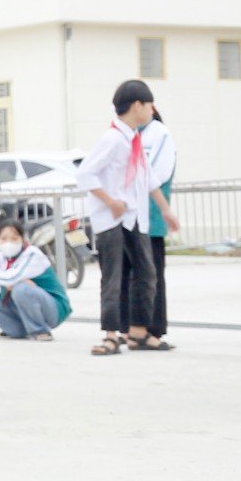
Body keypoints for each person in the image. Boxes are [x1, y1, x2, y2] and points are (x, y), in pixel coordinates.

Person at [78, 80, 159, 356]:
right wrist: (110, 201)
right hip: (112, 218)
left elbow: (149, 179)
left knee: (146, 272)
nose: (152, 110)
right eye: (149, 105)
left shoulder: (134, 140)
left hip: (134, 217)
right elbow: (85, 174)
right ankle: (111, 335)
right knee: (112, 276)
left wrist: (167, 210)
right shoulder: (112, 139)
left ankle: (137, 331)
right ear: (137, 106)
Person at [0, 213, 70, 341]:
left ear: (22, 239)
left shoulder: (32, 254)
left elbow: (10, 278)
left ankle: (40, 331)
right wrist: (2, 282)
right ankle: (14, 330)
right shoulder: (1, 257)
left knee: (21, 289)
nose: (8, 243)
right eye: (4, 239)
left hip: (53, 309)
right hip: (23, 306)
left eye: (14, 238)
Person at [141, 108, 180, 352]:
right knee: (134, 276)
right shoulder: (130, 133)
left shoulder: (160, 134)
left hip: (151, 218)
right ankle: (134, 329)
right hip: (130, 218)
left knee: (152, 276)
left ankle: (153, 331)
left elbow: (155, 175)